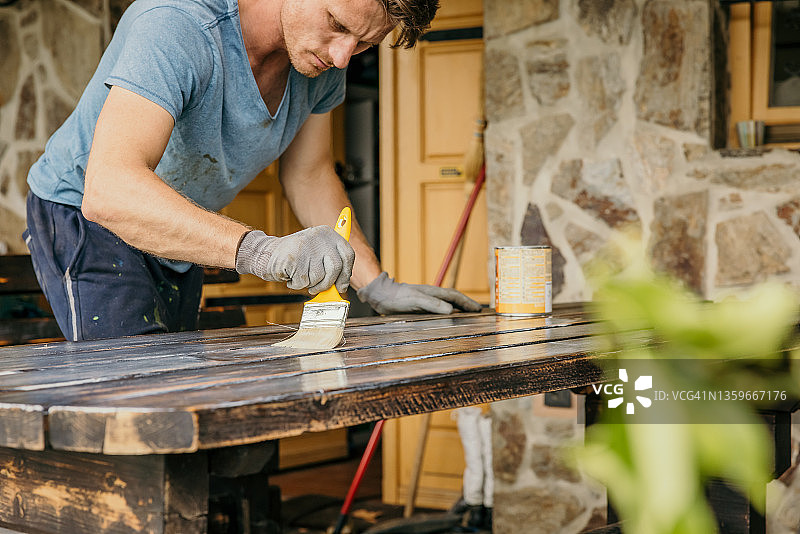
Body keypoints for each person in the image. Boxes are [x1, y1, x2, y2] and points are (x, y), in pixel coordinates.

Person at [23, 0, 482, 341]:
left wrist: (376, 284)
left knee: (182, 387)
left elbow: (310, 174)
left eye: (364, 42)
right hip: (85, 214)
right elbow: (111, 190)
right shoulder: (177, 26)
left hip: (178, 225)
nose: (344, 56)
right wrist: (263, 253)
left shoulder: (322, 65)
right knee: (141, 399)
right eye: (338, 26)